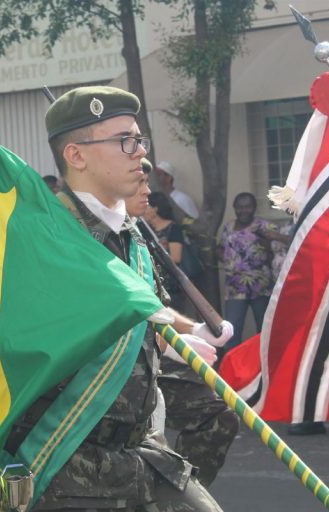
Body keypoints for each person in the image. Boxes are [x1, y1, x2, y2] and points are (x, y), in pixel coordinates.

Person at [16, 86, 231, 511]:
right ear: (76, 156)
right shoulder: (48, 236)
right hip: (68, 463)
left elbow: (147, 310)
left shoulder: (128, 235)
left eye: (140, 140)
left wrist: (188, 330)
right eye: (124, 141)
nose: (139, 153)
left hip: (137, 450)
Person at [129, 184, 239, 488]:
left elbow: (153, 304)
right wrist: (164, 344)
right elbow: (113, 312)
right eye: (137, 183)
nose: (147, 192)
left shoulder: (135, 233)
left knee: (218, 416)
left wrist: (195, 329)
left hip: (146, 360)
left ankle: (175, 492)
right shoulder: (88, 237)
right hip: (105, 374)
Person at [217, 192, 281, 351]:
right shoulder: (228, 227)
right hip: (234, 288)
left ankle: (262, 365)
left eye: (247, 207)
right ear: (235, 208)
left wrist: (266, 242)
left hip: (261, 286)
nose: (243, 210)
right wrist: (226, 258)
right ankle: (231, 366)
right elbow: (222, 248)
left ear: (254, 208)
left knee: (264, 328)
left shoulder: (264, 226)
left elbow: (279, 249)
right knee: (232, 329)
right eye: (239, 207)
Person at [144, 191, 189, 315]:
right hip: (153, 284)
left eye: (147, 206)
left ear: (155, 209)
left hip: (171, 285)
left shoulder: (173, 229)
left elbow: (176, 257)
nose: (143, 210)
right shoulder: (146, 230)